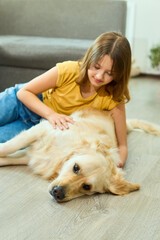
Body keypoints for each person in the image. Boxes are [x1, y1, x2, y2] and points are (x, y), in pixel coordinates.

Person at [0, 32, 131, 168]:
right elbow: (24, 92)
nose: (99, 76)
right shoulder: (69, 70)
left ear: (119, 75)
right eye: (96, 67)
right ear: (89, 58)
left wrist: (116, 165)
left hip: (36, 126)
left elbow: (122, 146)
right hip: (20, 103)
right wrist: (51, 114)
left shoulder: (114, 98)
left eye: (109, 73)